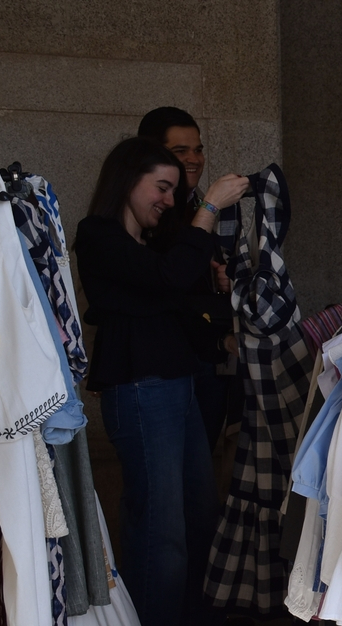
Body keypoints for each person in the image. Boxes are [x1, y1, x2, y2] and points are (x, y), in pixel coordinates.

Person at [76, 137, 248, 626]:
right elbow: (166, 279)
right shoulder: (98, 235)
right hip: (139, 389)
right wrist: (209, 208)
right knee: (160, 522)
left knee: (198, 514)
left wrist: (221, 303)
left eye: (175, 191)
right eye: (162, 187)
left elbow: (179, 300)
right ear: (128, 179)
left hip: (178, 384)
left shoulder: (155, 243)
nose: (169, 200)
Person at [138, 106, 237, 454]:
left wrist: (226, 282)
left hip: (211, 357)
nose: (194, 159)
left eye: (198, 149)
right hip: (162, 367)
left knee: (201, 467)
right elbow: (168, 277)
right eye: (180, 151)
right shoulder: (144, 215)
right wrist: (209, 208)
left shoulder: (206, 206)